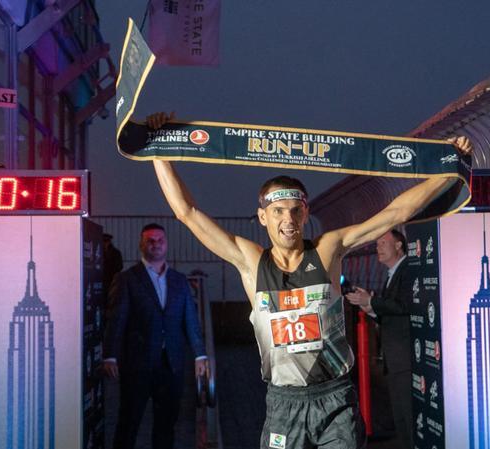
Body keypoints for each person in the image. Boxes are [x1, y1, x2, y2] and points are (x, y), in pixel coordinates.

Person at [146, 111, 471, 449]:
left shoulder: (327, 250)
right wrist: (158, 152)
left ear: (305, 213)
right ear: (262, 217)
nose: (288, 219)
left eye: (295, 210)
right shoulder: (251, 261)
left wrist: (450, 171)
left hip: (335, 399)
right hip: (284, 403)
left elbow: (393, 214)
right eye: (278, 211)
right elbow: (187, 213)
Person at [103, 223, 209, 449]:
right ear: (141, 245)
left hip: (171, 365)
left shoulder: (179, 280)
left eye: (160, 240)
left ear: (166, 244)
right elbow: (117, 319)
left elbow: (190, 320)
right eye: (150, 240)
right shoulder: (127, 279)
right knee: (128, 423)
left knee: (166, 425)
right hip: (137, 364)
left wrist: (200, 355)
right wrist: (110, 355)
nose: (156, 244)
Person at [346, 229, 413, 448]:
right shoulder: (392, 274)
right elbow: (391, 316)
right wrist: (369, 307)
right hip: (394, 361)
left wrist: (373, 302)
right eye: (376, 244)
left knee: (408, 418)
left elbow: (404, 306)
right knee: (400, 418)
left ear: (398, 246)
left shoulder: (407, 269)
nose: (378, 248)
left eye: (383, 242)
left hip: (404, 359)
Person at [102, 233, 123, 311]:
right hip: (102, 280)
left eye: (106, 241)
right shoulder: (98, 251)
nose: (105, 243)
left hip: (112, 280)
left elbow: (120, 266)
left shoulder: (115, 252)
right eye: (104, 241)